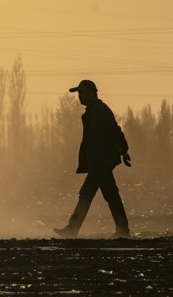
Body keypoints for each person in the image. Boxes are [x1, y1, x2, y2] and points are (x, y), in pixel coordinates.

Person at [54, 80, 131, 238]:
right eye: (78, 93)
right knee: (111, 195)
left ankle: (72, 228)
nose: (79, 96)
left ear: (91, 92)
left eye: (81, 92)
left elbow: (114, 131)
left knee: (86, 192)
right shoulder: (93, 112)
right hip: (99, 160)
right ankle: (122, 230)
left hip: (102, 161)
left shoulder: (101, 111)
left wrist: (124, 151)